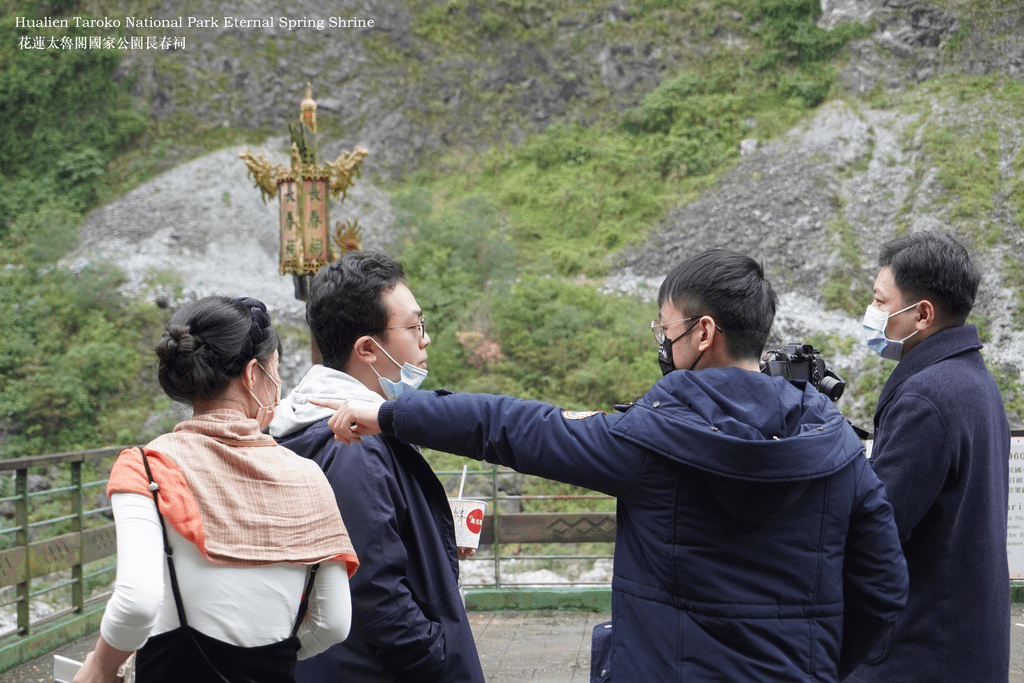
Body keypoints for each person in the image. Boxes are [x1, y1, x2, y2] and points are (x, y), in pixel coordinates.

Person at [316, 248, 910, 683]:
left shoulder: (651, 440)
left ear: (703, 333)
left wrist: (391, 414)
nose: (661, 341)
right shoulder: (837, 449)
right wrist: (816, 661)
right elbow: (884, 589)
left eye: (666, 328)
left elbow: (515, 427)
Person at [75, 296, 359, 683]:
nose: (278, 386)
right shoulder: (309, 477)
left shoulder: (146, 466)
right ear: (253, 373)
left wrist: (99, 669)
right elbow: (333, 624)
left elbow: (137, 604)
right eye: (275, 371)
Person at [268, 251, 486, 683]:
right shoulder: (354, 444)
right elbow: (373, 586)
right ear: (367, 348)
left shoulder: (308, 421)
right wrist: (434, 655)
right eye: (414, 327)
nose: (426, 340)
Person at [847, 232, 1011, 683]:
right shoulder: (975, 381)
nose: (872, 314)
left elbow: (875, 530)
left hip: (918, 651)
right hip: (968, 642)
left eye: (881, 302)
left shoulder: (926, 398)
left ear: (922, 314)